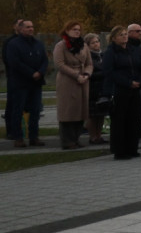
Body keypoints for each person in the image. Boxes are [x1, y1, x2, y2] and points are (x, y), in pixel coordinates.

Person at [7, 19, 49, 148]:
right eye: (27, 27)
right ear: (20, 29)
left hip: (36, 83)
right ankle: (18, 137)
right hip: (20, 83)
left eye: (32, 27)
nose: (31, 29)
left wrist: (40, 72)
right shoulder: (13, 44)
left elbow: (45, 60)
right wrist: (31, 73)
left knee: (35, 110)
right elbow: (15, 62)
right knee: (18, 110)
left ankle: (34, 136)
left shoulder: (38, 43)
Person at [103, 26, 141, 159]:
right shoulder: (111, 52)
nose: (124, 37)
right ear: (114, 38)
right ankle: (119, 151)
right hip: (119, 89)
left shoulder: (133, 50)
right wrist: (128, 82)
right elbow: (109, 72)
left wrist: (139, 80)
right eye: (121, 35)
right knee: (120, 121)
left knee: (134, 119)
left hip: (135, 89)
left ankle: (132, 148)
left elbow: (140, 66)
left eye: (125, 34)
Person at [53, 20, 92, 150]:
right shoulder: (61, 45)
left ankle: (76, 138)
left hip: (83, 80)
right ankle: (67, 140)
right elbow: (59, 64)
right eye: (74, 29)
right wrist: (76, 75)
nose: (77, 32)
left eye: (79, 30)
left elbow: (89, 63)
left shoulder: (84, 46)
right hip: (68, 80)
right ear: (67, 30)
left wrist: (86, 74)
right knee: (68, 111)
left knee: (80, 110)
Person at [84, 32, 108, 145]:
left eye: (97, 41)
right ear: (88, 45)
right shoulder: (87, 57)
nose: (96, 44)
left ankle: (99, 135)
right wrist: (103, 73)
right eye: (93, 43)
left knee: (101, 114)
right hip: (92, 88)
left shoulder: (102, 55)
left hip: (103, 87)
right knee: (92, 115)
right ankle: (92, 136)